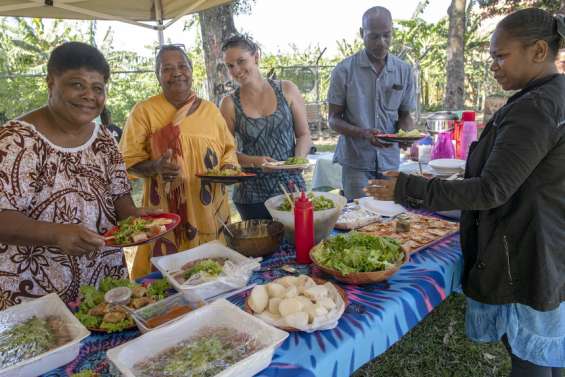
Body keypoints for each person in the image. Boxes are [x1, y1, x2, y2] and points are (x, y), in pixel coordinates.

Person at [365, 8, 564, 376]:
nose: (493, 65)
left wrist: (407, 187)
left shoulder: (535, 107)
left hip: (526, 250)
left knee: (530, 357)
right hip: (546, 239)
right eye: (492, 57)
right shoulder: (551, 96)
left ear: (538, 51)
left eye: (500, 56)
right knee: (544, 353)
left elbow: (491, 190)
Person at [0, 42, 149, 309]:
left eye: (98, 88)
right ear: (50, 82)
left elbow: (120, 196)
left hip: (105, 286)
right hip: (36, 292)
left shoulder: (103, 138)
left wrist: (137, 220)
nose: (89, 95)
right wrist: (55, 233)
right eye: (77, 84)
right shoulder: (15, 140)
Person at [120, 45, 238, 279]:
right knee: (168, 280)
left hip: (209, 207)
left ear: (192, 71)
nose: (177, 73)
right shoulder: (144, 112)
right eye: (167, 68)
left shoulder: (211, 111)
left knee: (214, 274)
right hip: (165, 210)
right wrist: (155, 167)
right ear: (158, 75)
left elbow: (228, 150)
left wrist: (228, 169)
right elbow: (126, 161)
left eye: (183, 66)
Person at [327, 6, 416, 201]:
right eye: (374, 37)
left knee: (388, 220)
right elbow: (333, 120)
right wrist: (363, 133)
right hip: (356, 163)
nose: (381, 43)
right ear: (362, 34)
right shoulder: (344, 71)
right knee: (359, 220)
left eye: (386, 36)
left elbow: (405, 115)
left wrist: (407, 133)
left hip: (390, 162)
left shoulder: (404, 71)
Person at [219, 34, 312, 220]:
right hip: (251, 196)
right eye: (230, 66)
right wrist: (255, 161)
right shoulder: (228, 104)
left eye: (241, 61)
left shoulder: (287, 89)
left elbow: (304, 135)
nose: (236, 70)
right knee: (261, 249)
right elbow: (226, 153)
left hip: (291, 188)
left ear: (256, 57)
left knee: (299, 244)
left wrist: (298, 160)